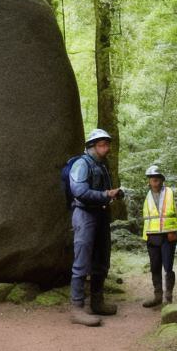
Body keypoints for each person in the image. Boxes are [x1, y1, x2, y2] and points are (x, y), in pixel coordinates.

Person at [67, 128, 124, 327]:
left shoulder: (103, 165)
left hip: (101, 215)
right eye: (102, 144)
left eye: (107, 144)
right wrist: (106, 194)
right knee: (82, 260)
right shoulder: (82, 164)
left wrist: (114, 195)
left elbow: (102, 191)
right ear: (91, 146)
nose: (106, 148)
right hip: (84, 215)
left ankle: (97, 302)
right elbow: (79, 191)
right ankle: (76, 308)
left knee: (102, 258)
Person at [140, 165, 177, 307]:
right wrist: (146, 237)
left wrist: (173, 231)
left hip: (167, 236)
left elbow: (174, 213)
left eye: (157, 178)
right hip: (152, 237)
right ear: (149, 181)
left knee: (168, 266)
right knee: (155, 267)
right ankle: (157, 297)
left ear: (162, 180)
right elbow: (147, 218)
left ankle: (168, 297)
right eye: (151, 179)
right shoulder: (147, 196)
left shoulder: (169, 192)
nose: (154, 181)